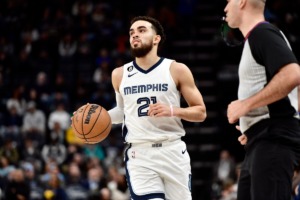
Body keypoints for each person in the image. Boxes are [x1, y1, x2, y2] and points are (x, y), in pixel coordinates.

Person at [107, 16, 206, 200]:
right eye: (132, 33)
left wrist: (173, 110)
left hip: (173, 151)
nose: (135, 35)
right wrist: (99, 117)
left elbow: (200, 112)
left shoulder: (176, 69)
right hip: (140, 154)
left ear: (156, 38)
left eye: (142, 30)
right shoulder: (119, 74)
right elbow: (123, 112)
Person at [224, 0, 300, 199]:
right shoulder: (259, 37)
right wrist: (251, 123)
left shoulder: (262, 33)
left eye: (228, 1)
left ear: (242, 2)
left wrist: (245, 106)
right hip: (261, 139)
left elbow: (293, 74)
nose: (225, 8)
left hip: (273, 139)